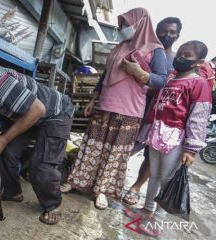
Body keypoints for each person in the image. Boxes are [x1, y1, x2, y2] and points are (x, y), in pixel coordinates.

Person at [60, 8, 167, 210]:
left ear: (141, 23)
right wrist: (95, 97)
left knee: (114, 154)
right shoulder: (121, 46)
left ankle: (101, 190)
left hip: (129, 110)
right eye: (122, 25)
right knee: (92, 147)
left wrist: (141, 74)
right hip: (105, 104)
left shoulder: (155, 50)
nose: (123, 29)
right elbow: (106, 74)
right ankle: (77, 182)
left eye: (126, 25)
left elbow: (161, 80)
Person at [0, 63, 74, 227]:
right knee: (8, 151)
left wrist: (2, 139)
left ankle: (53, 205)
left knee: (42, 165)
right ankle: (13, 192)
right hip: (33, 116)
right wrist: (1, 141)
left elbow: (38, 110)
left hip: (56, 113)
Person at [125, 40, 212, 237]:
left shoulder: (198, 84)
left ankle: (157, 223)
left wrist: (191, 149)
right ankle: (147, 210)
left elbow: (198, 117)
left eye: (187, 55)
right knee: (154, 174)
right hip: (157, 133)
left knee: (167, 179)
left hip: (177, 139)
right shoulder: (170, 79)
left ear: (199, 62)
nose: (181, 57)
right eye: (180, 53)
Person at [122, 17, 182, 206]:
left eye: (172, 32)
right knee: (123, 146)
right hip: (136, 106)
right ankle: (108, 180)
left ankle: (136, 187)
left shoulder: (176, 60)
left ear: (178, 35)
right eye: (164, 31)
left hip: (161, 114)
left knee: (151, 155)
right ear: (156, 31)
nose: (168, 35)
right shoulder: (146, 51)